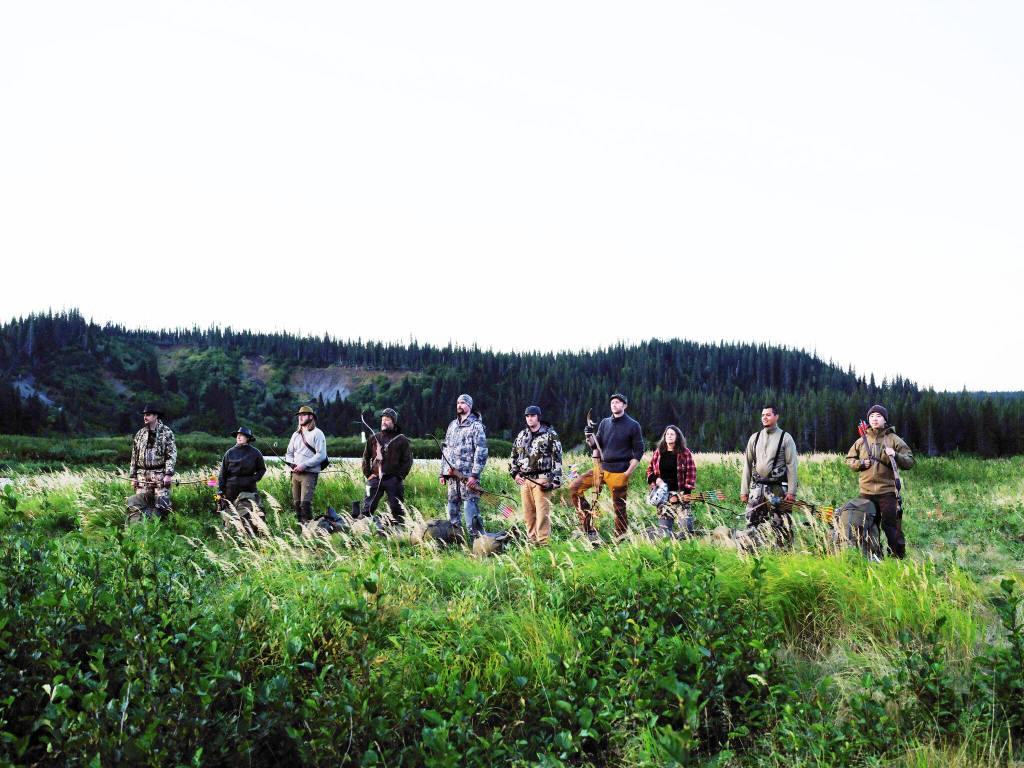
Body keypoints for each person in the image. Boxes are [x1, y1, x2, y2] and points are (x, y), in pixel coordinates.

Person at [569, 393, 644, 542]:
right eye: (612, 403)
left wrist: (627, 473)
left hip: (620, 470)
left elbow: (639, 451)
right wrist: (588, 436)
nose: (614, 405)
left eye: (617, 402)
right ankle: (588, 527)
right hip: (601, 468)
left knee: (619, 508)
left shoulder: (633, 425)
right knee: (575, 488)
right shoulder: (604, 423)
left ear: (624, 405)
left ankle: (620, 539)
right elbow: (595, 445)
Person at [845, 404, 915, 559]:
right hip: (866, 493)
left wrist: (895, 455)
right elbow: (849, 459)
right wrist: (860, 464)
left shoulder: (893, 439)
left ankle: (897, 558)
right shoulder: (861, 440)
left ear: (885, 419)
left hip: (887, 492)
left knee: (891, 527)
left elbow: (910, 461)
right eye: (871, 416)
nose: (874, 419)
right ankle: (874, 556)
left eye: (878, 416)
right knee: (868, 526)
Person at [740, 405, 799, 546]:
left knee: (782, 524)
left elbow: (792, 466)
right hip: (757, 488)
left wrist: (791, 492)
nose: (764, 418)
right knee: (751, 522)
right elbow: (747, 464)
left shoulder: (786, 438)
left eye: (768, 415)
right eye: (762, 415)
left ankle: (784, 555)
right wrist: (744, 491)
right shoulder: (755, 438)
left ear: (776, 417)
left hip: (778, 488)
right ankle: (750, 552)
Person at [509, 405, 563, 545]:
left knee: (542, 513)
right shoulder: (521, 435)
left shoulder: (550, 435)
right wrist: (515, 473)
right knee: (528, 514)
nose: (529, 418)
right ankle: (532, 541)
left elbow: (557, 457)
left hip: (542, 478)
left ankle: (543, 542)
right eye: (527, 416)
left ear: (538, 417)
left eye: (532, 415)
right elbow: (513, 456)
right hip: (525, 478)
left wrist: (555, 481)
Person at [439, 394, 489, 539]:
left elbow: (482, 451)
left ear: (469, 406)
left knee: (470, 507)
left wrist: (475, 474)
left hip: (468, 477)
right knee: (452, 506)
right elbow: (446, 450)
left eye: (462, 403)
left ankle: (477, 540)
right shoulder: (452, 425)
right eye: (457, 402)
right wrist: (442, 473)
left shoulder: (476, 426)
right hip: (452, 475)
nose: (459, 405)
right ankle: (456, 537)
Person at [359, 407, 414, 525]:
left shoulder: (402, 440)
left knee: (397, 508)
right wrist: (368, 474)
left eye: (387, 419)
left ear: (393, 422)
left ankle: (399, 530)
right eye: (383, 419)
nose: (384, 421)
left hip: (393, 480)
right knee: (367, 507)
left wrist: (399, 477)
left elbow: (407, 461)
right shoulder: (374, 438)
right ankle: (362, 529)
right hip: (375, 479)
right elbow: (365, 457)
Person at [126, 404, 177, 523]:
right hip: (142, 476)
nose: (145, 417)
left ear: (155, 416)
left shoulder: (166, 432)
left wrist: (168, 474)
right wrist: (133, 476)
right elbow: (134, 455)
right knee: (140, 505)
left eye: (148, 415)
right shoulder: (140, 434)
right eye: (144, 415)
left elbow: (171, 454)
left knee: (163, 505)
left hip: (160, 475)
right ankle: (141, 529)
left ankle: (164, 528)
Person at [646, 425, 697, 535]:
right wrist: (656, 479)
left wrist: (687, 492)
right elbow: (649, 470)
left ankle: (681, 539)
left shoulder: (684, 453)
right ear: (664, 436)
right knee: (664, 532)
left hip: (680, 494)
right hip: (663, 495)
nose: (669, 436)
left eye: (672, 434)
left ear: (677, 437)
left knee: (686, 530)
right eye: (667, 434)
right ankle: (658, 535)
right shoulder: (659, 452)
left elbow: (691, 472)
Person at [217, 427, 267, 531]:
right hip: (230, 488)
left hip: (248, 488)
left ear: (247, 438)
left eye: (242, 435)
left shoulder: (255, 453)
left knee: (249, 513)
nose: (238, 437)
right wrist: (221, 490)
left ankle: (252, 531)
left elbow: (262, 469)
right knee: (229, 514)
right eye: (237, 435)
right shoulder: (229, 453)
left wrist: (254, 479)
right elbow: (222, 474)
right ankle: (230, 532)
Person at [284, 405, 328, 523]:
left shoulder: (318, 433)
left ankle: (310, 531)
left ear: (310, 417)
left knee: (305, 505)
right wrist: (292, 465)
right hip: (295, 474)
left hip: (309, 473)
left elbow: (321, 455)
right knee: (297, 505)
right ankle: (301, 531)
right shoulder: (295, 435)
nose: (300, 417)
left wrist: (304, 465)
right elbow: (288, 453)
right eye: (299, 416)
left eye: (303, 415)